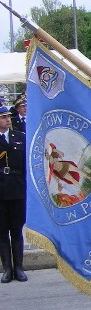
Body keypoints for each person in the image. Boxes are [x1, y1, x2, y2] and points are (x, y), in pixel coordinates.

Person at [0, 105, 27, 282]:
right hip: (0, 190)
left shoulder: (20, 137)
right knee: (2, 231)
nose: (8, 119)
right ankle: (7, 269)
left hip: (17, 188)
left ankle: (19, 268)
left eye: (8, 116)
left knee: (16, 230)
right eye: (3, 117)